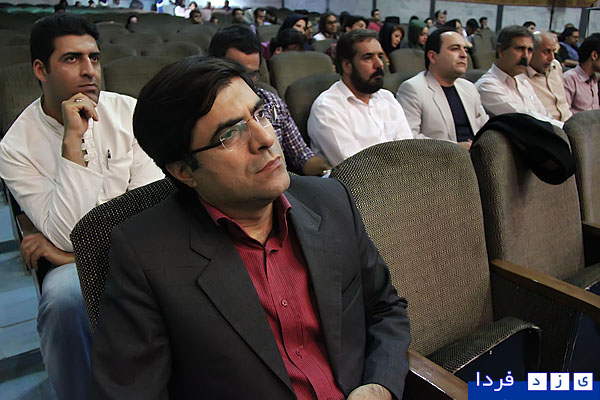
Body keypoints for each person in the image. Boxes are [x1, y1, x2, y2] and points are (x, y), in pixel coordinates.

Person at [89, 55, 411, 400]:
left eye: (259, 114)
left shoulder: (330, 201)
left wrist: (380, 386)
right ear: (184, 171)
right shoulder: (145, 255)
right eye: (229, 134)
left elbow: (385, 309)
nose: (264, 138)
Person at [0, 14, 163, 400]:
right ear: (41, 70)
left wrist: (66, 255)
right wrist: (72, 142)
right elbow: (68, 231)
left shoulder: (128, 112)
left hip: (147, 246)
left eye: (94, 58)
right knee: (63, 299)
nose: (89, 70)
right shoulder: (16, 148)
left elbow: (154, 209)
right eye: (72, 59)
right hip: (90, 263)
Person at [208, 25, 331, 176]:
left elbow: (302, 156)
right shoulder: (205, 113)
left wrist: (328, 173)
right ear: (213, 66)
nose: (247, 83)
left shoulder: (271, 102)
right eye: (238, 74)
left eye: (252, 74)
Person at [308, 29, 413, 166]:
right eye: (368, 57)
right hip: (362, 179)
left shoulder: (387, 98)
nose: (379, 64)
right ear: (347, 66)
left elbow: (409, 150)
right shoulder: (328, 108)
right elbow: (356, 168)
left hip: (404, 175)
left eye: (380, 56)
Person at [397, 28, 488, 150]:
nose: (464, 55)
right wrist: (456, 148)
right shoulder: (413, 89)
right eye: (454, 49)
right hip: (441, 159)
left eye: (465, 49)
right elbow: (409, 138)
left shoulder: (469, 87)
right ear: (432, 57)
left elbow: (486, 128)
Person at [475, 25, 562, 127]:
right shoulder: (487, 86)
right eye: (520, 49)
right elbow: (526, 120)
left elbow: (545, 115)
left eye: (530, 50)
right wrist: (563, 128)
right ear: (500, 51)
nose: (525, 56)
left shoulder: (522, 80)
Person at [524, 31, 572, 122]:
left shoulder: (555, 66)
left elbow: (563, 103)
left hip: (569, 121)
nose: (552, 57)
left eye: (553, 51)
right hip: (547, 126)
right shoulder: (520, 76)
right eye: (546, 52)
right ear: (531, 52)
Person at [563, 34, 600, 114]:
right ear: (594, 55)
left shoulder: (594, 80)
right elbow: (564, 113)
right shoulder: (570, 78)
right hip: (578, 122)